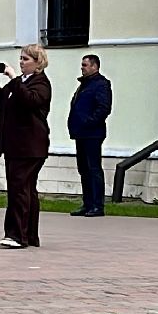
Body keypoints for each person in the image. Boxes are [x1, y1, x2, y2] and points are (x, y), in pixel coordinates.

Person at [0, 44, 52, 249]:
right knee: (27, 189)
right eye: (21, 58)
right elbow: (0, 99)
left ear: (38, 63)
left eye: (26, 59)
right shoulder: (20, 82)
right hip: (16, 145)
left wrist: (13, 77)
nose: (21, 62)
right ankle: (29, 235)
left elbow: (30, 101)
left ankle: (16, 235)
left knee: (19, 189)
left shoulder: (41, 83)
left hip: (30, 146)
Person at [67, 54, 111, 217]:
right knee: (83, 169)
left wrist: (89, 122)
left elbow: (103, 107)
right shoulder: (85, 85)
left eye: (85, 65)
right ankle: (87, 203)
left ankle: (97, 205)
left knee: (93, 168)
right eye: (82, 65)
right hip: (81, 133)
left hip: (92, 133)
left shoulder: (101, 84)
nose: (82, 67)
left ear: (94, 66)